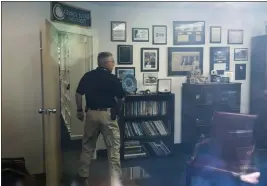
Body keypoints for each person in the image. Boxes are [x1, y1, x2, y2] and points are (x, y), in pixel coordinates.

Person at [75, 52, 125, 185]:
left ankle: (82, 175)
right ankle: (115, 179)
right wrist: (117, 110)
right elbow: (121, 98)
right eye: (112, 61)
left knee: (87, 146)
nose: (114, 64)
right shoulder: (113, 78)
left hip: (91, 114)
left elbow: (78, 94)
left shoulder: (88, 76)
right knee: (113, 148)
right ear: (105, 63)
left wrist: (79, 110)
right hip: (107, 115)